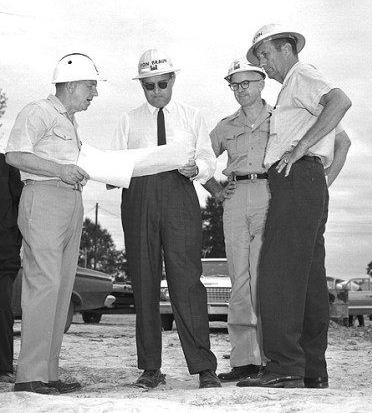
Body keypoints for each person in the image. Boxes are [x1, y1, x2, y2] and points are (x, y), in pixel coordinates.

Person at [237, 24, 352, 389]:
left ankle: (284, 364)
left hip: (297, 179)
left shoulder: (302, 75)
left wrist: (302, 148)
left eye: (266, 55)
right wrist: (320, 177)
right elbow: (342, 138)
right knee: (309, 282)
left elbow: (340, 102)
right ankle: (312, 368)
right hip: (307, 181)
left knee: (277, 275)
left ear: (286, 48)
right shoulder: (294, 87)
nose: (264, 65)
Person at [110, 49, 221, 389]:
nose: (156, 92)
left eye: (161, 84)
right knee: (143, 281)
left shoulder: (192, 116)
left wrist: (196, 168)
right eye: (148, 86)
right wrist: (107, 170)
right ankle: (150, 368)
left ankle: (204, 367)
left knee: (187, 282)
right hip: (139, 197)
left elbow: (207, 159)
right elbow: (114, 169)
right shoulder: (128, 119)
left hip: (180, 195)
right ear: (141, 86)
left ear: (173, 79)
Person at [5, 53, 102, 394]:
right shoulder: (38, 111)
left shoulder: (69, 122)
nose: (94, 93)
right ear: (72, 84)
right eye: (91, 86)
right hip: (43, 199)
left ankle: (48, 374)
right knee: (43, 285)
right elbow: (15, 155)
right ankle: (29, 376)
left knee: (61, 290)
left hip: (69, 201)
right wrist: (60, 170)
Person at [203, 57, 271, 382]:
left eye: (246, 83)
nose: (241, 90)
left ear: (262, 82)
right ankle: (244, 361)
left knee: (265, 279)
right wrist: (216, 190)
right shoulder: (225, 126)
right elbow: (200, 157)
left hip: (270, 196)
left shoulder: (280, 119)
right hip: (235, 198)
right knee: (239, 281)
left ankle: (271, 359)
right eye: (235, 84)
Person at [0, 153, 23, 384]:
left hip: (3, 256)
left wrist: (14, 244)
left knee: (2, 309)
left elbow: (21, 208)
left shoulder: (8, 165)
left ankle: (3, 367)